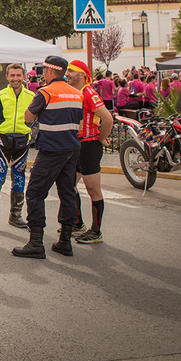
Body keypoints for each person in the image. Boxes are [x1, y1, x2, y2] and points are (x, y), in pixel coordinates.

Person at [13, 56, 83, 259]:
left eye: (44, 69)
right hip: (72, 149)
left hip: (52, 149)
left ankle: (36, 242)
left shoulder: (45, 92)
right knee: (67, 192)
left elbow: (28, 117)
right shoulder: (77, 94)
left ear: (49, 71)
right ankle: (65, 241)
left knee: (35, 193)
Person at [0, 63, 34, 231]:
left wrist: (29, 133)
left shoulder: (32, 96)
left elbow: (37, 118)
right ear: (7, 77)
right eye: (12, 75)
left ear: (24, 76)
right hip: (4, 142)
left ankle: (15, 215)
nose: (15, 79)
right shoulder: (0, 95)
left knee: (19, 177)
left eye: (18, 75)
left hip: (22, 142)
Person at [66, 60, 114, 244]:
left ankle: (96, 231)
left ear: (82, 75)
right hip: (76, 146)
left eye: (71, 71)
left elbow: (108, 119)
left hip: (89, 146)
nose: (67, 74)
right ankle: (78, 224)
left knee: (93, 189)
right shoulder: (74, 92)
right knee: (69, 185)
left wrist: (101, 138)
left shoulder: (89, 92)